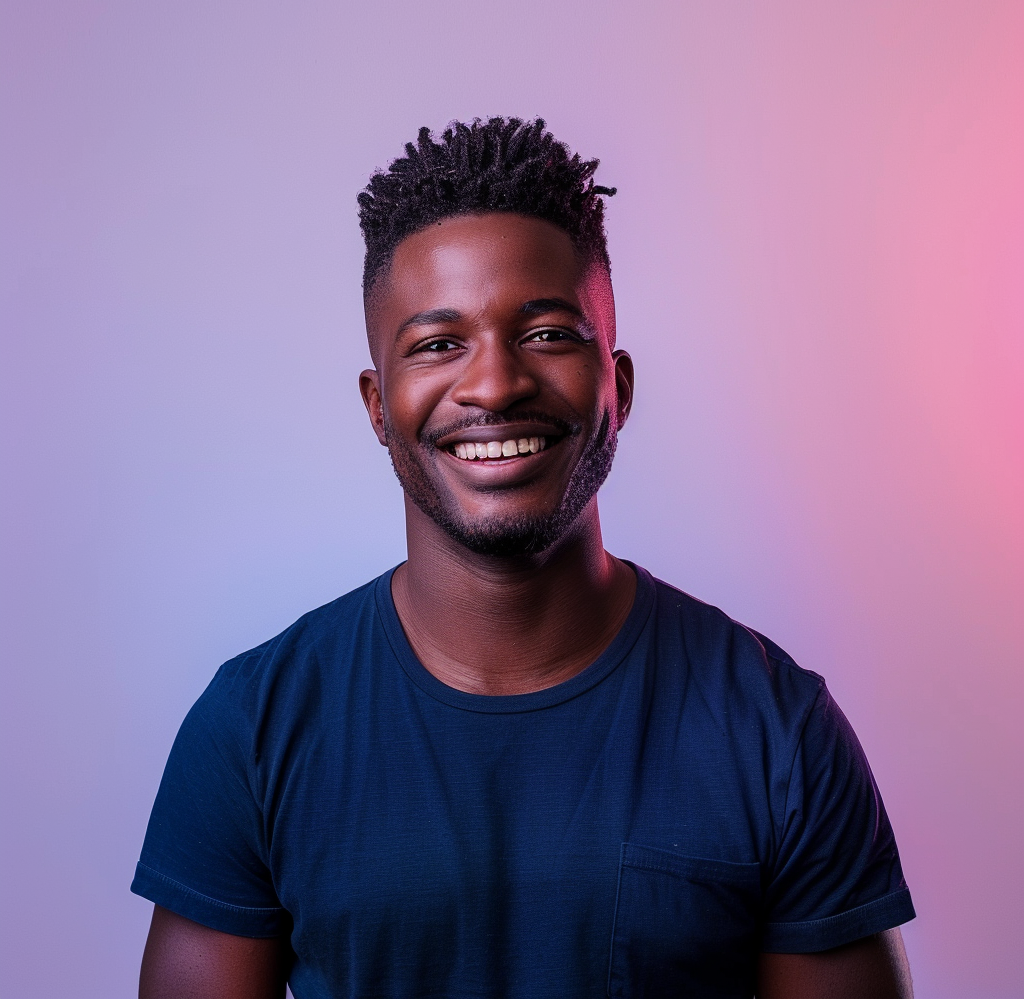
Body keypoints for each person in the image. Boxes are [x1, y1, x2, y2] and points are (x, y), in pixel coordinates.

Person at [132, 117, 916, 999]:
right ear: (377, 405)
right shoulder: (252, 729)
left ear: (616, 385)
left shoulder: (777, 730)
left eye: (547, 333)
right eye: (436, 344)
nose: (496, 384)